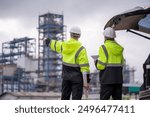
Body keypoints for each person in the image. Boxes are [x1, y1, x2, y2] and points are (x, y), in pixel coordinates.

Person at [45, 26, 90, 100]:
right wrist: (86, 82)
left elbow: (54, 44)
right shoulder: (81, 49)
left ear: (70, 34)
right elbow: (84, 68)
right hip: (77, 80)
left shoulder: (63, 45)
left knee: (65, 98)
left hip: (66, 78)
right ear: (79, 36)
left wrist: (47, 41)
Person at [95, 27, 124, 100]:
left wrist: (96, 62)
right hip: (118, 80)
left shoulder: (103, 47)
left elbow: (101, 66)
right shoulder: (119, 48)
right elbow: (122, 63)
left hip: (106, 80)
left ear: (105, 36)